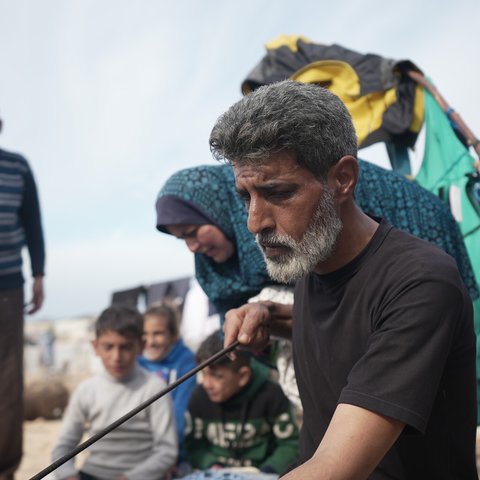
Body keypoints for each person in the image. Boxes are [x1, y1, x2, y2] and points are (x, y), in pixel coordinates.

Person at [210, 80, 477, 479]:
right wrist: (269, 314)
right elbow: (351, 320)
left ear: (342, 180)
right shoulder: (313, 261)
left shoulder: (420, 281)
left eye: (278, 193)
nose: (255, 222)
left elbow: (334, 471)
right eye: (245, 197)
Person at [51, 306, 178, 480]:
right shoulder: (85, 391)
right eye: (108, 347)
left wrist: (131, 478)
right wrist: (68, 475)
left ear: (141, 346)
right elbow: (63, 446)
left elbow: (166, 450)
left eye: (125, 347)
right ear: (95, 347)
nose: (116, 356)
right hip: (91, 474)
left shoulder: (155, 388)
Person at [184, 330, 299, 476]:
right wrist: (212, 465)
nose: (207, 383)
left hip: (261, 473)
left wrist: (268, 470)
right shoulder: (199, 397)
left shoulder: (272, 396)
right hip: (214, 473)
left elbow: (290, 444)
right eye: (204, 374)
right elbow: (194, 447)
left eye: (217, 376)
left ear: (243, 376)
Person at [0, 115, 46, 480]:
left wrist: (39, 274)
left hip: (6, 287)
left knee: (8, 379)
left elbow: (33, 223)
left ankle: (6, 468)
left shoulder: (16, 166)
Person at [137, 303, 197, 463]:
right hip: (139, 447)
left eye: (157, 334)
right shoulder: (137, 361)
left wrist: (165, 457)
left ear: (174, 335)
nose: (150, 341)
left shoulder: (186, 362)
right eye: (145, 334)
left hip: (174, 448)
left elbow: (180, 413)